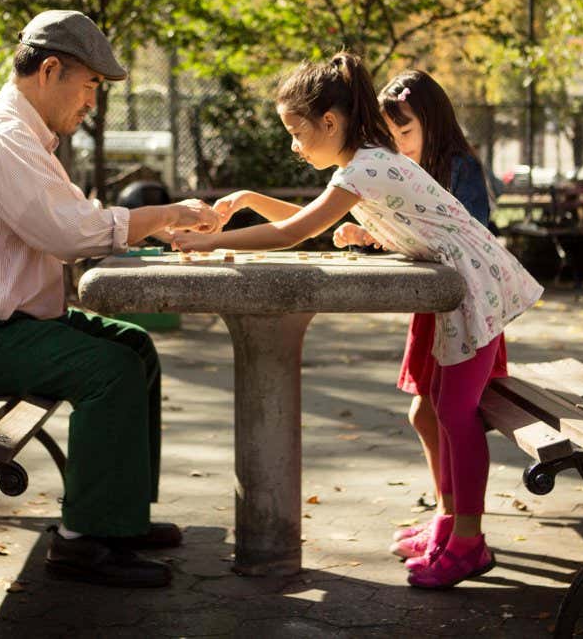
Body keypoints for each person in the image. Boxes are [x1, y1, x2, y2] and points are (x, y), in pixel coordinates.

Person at [172, 52, 543, 590]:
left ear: (329, 122)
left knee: (456, 414)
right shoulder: (364, 163)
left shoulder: (367, 166)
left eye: (297, 133)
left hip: (474, 287)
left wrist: (211, 242)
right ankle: (449, 526)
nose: (293, 147)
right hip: (461, 284)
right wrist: (248, 201)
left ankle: (469, 542)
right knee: (441, 407)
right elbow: (309, 221)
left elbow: (291, 234)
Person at [0, 9, 222, 589]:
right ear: (50, 69)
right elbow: (66, 234)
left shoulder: (25, 136)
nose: (91, 104)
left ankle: (119, 517)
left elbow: (72, 219)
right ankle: (83, 542)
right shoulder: (5, 135)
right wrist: (161, 214)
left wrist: (155, 229)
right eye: (90, 87)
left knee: (134, 346)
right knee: (109, 370)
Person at [375, 70, 510, 564]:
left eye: (405, 132)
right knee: (427, 411)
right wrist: (372, 234)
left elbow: (465, 236)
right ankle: (448, 516)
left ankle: (465, 534)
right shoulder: (412, 168)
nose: (399, 145)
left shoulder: (457, 166)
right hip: (434, 306)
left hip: (469, 304)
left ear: (431, 120)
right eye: (391, 138)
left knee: (451, 413)